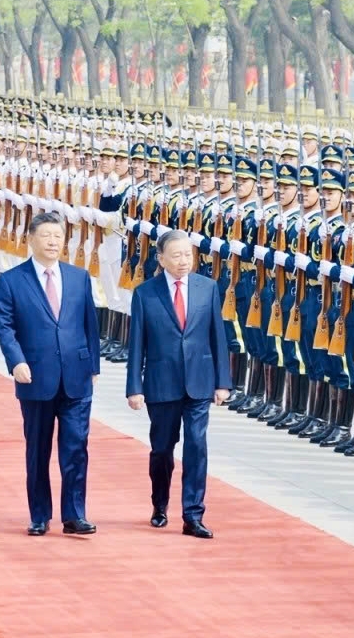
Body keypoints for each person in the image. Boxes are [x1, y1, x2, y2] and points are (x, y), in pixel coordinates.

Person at [0, 212, 101, 537]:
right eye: (46, 236)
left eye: (58, 236)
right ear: (31, 239)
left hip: (77, 378)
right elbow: (5, 326)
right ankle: (40, 515)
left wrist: (93, 365)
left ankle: (74, 514)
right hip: (35, 378)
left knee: (76, 448)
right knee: (38, 450)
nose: (53, 242)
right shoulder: (11, 280)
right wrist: (16, 362)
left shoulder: (79, 277)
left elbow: (89, 325)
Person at [126, 229, 232, 538]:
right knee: (162, 449)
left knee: (197, 446)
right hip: (161, 383)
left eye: (188, 254)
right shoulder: (146, 293)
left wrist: (222, 382)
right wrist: (135, 387)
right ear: (161, 259)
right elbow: (136, 345)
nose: (184, 261)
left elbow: (217, 336)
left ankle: (193, 515)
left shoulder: (207, 288)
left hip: (199, 381)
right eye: (176, 255)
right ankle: (160, 504)